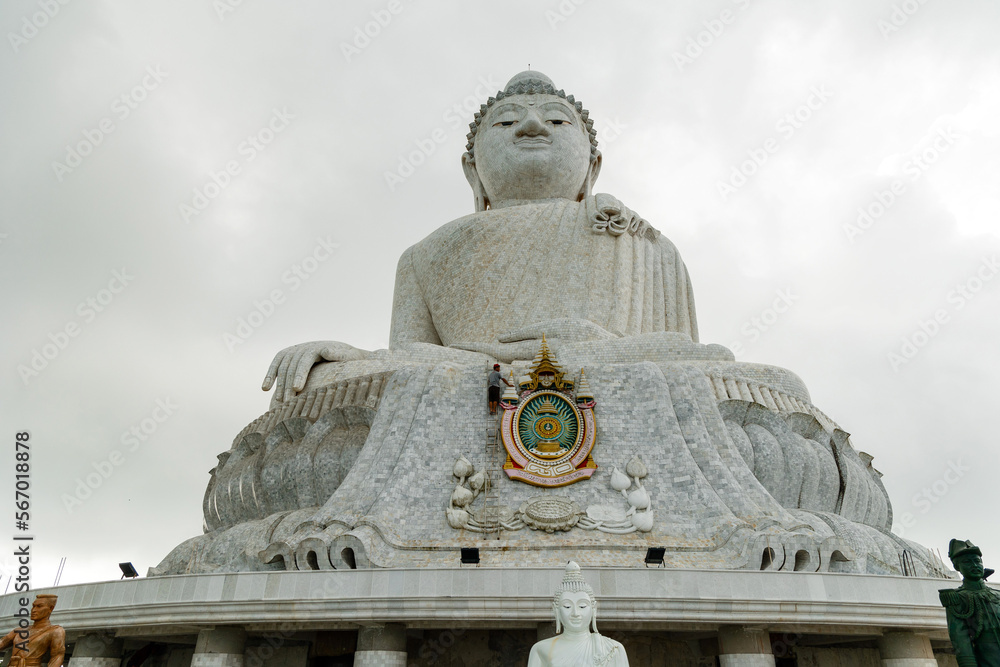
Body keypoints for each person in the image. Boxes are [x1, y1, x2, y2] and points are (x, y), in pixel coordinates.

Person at [262, 71, 698, 403]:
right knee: (324, 383)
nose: (531, 126)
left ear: (593, 166)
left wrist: (592, 348)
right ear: (472, 169)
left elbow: (692, 366)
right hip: (472, 386)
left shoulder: (643, 242)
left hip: (604, 391)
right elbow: (413, 372)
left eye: (557, 121)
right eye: (506, 121)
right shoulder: (423, 256)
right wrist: (363, 359)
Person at [527, 561, 628, 666]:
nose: (575, 613)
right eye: (567, 606)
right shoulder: (540, 649)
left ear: (594, 609)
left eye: (582, 606)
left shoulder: (613, 649)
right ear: (556, 610)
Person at [940, 539, 1000, 667]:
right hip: (988, 659)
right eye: (967, 562)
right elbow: (960, 640)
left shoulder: (998, 595)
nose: (974, 565)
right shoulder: (957, 598)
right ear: (957, 567)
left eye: (977, 561)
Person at [0, 595, 65, 667]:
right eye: (33, 606)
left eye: (39, 606)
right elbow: (2, 642)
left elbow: (57, 657)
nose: (34, 610)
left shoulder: (55, 631)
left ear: (51, 608)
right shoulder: (19, 630)